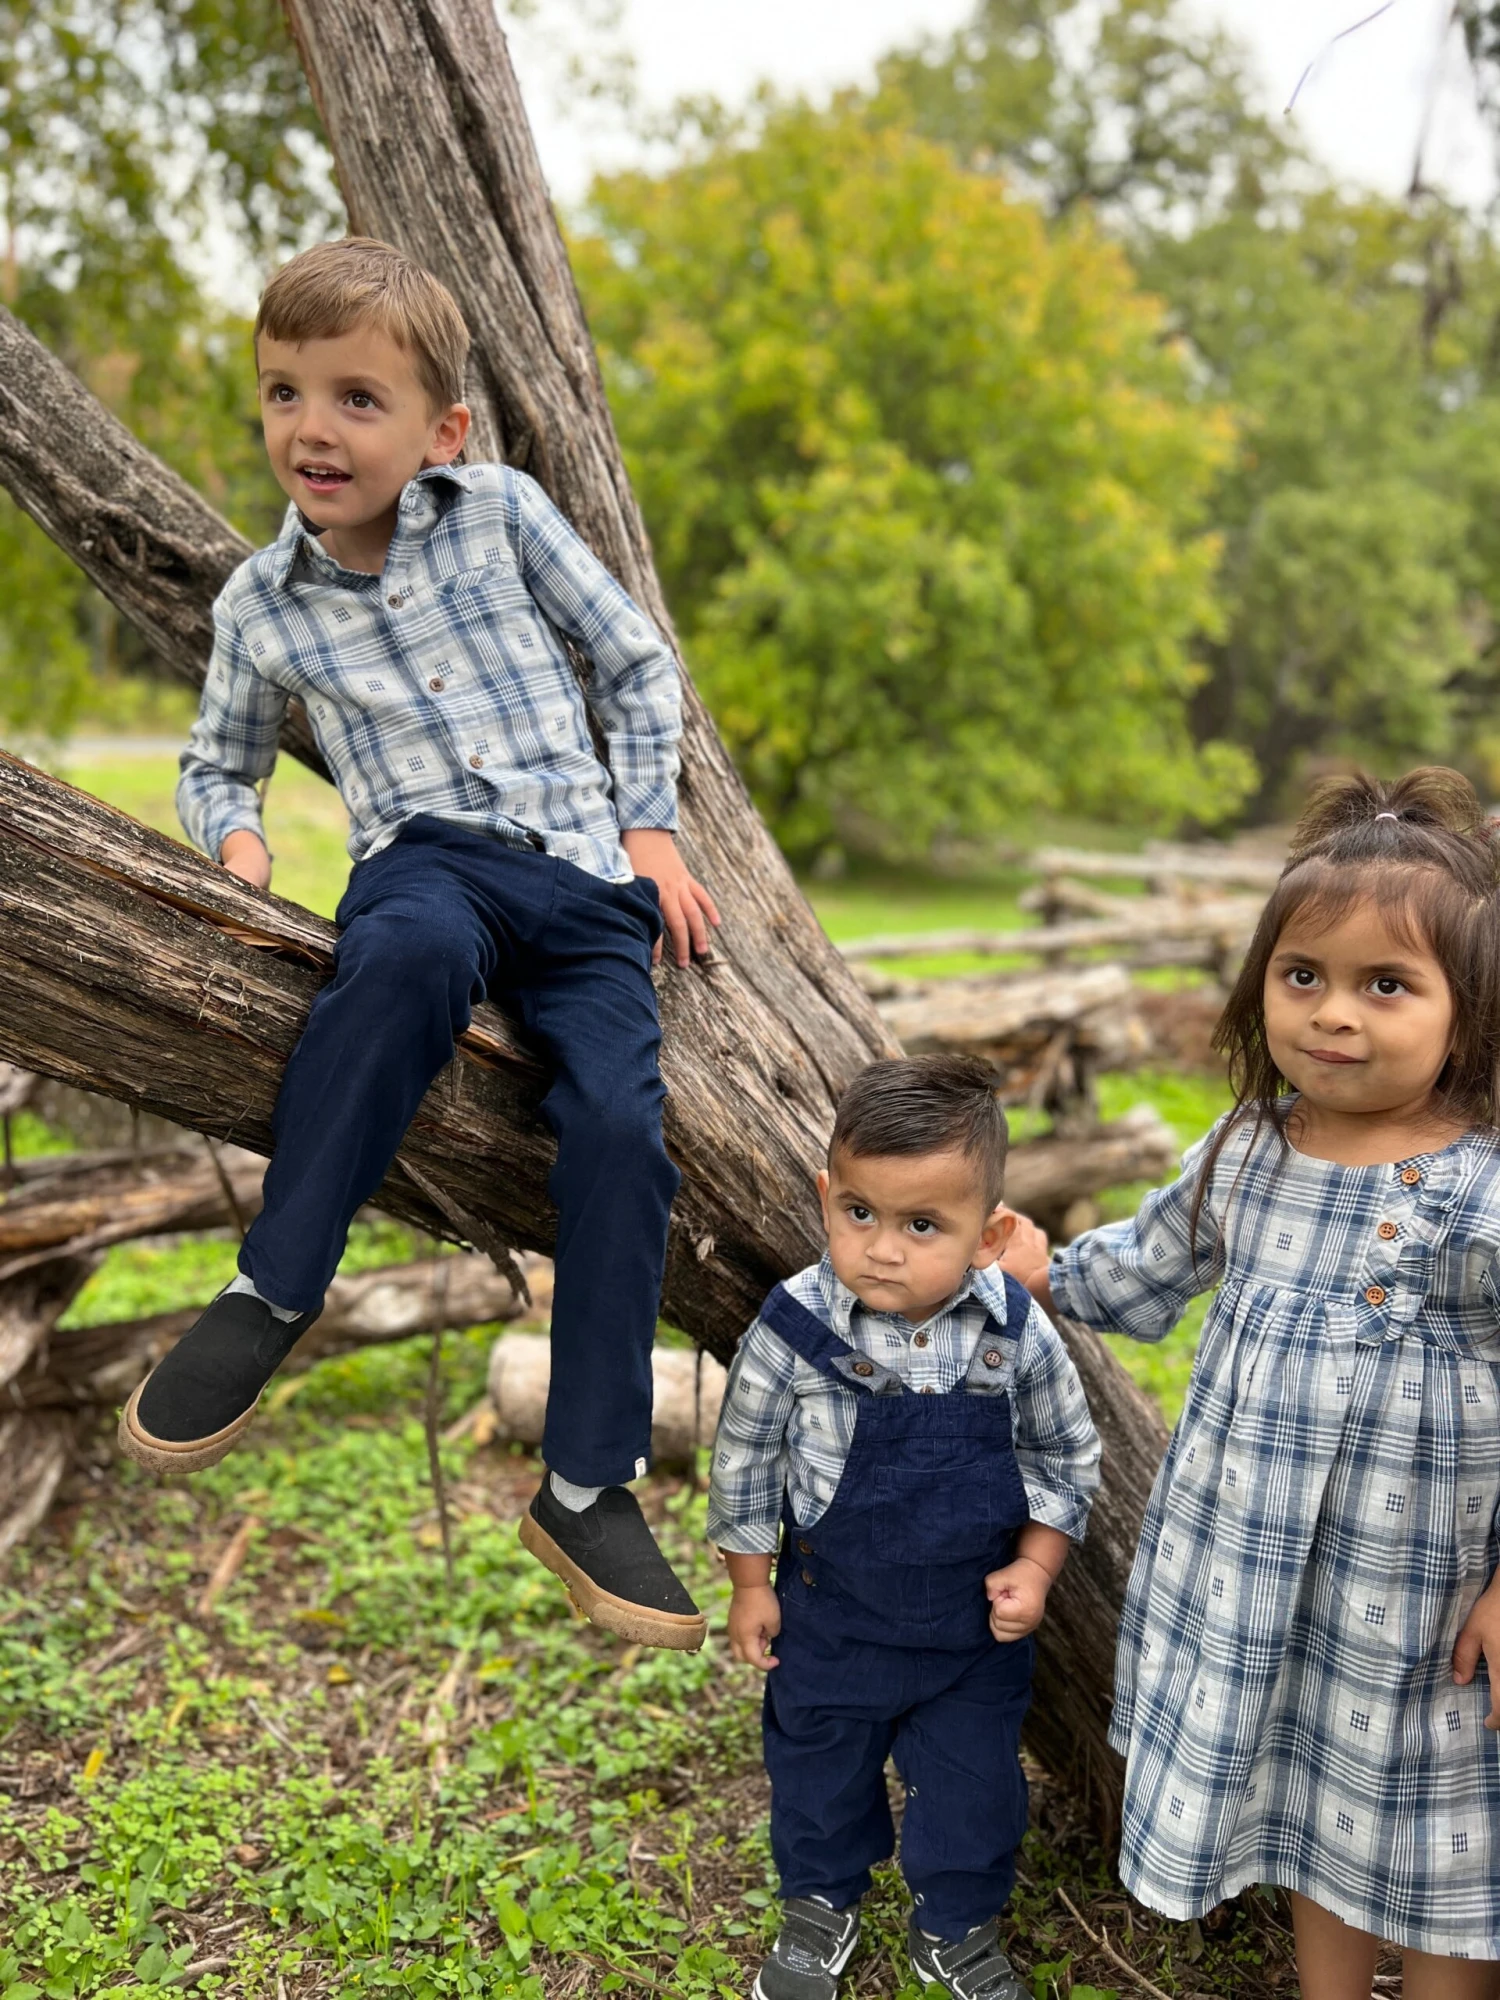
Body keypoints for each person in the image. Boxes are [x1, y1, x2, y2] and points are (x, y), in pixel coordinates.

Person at [118, 236, 721, 1653]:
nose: (311, 429)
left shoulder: (502, 512)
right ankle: (274, 1286)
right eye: (283, 393)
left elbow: (634, 663)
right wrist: (245, 855)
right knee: (391, 963)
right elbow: (219, 768)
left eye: (355, 399)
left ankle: (587, 1484)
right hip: (427, 866)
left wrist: (651, 831)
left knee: (627, 1134)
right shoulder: (260, 607)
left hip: (583, 885)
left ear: (441, 429)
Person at [1005, 768, 1500, 1998]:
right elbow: (1142, 1270)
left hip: (1430, 1590)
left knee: (1446, 1831)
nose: (1335, 1013)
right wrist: (1040, 1270)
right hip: (1263, 1564)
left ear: (1469, 1009)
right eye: (1304, 975)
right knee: (1309, 1794)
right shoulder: (1250, 1148)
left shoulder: (1487, 1184)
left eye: (1388, 984)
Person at [709, 1053, 1100, 2000]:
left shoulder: (1014, 1329)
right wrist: (751, 1584)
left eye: (922, 1225)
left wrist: (1038, 1568)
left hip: (971, 1631)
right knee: (817, 1774)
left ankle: (956, 1927)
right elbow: (748, 1455)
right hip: (829, 1617)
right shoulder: (797, 1324)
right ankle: (819, 1908)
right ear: (826, 1195)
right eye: (860, 1214)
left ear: (989, 1234)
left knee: (974, 1789)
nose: (884, 1248)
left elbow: (1064, 1454)